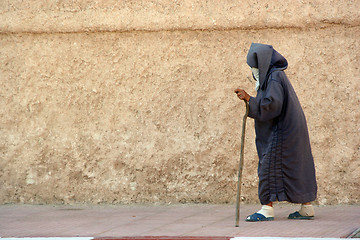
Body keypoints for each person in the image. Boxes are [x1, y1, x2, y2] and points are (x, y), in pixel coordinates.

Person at [234, 43, 317, 222]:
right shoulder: (275, 76)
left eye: (254, 68)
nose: (253, 72)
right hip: (291, 129)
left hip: (282, 131)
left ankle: (267, 209)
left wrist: (249, 99)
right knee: (295, 166)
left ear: (262, 65)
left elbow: (272, 106)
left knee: (268, 165)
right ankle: (306, 208)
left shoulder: (273, 78)